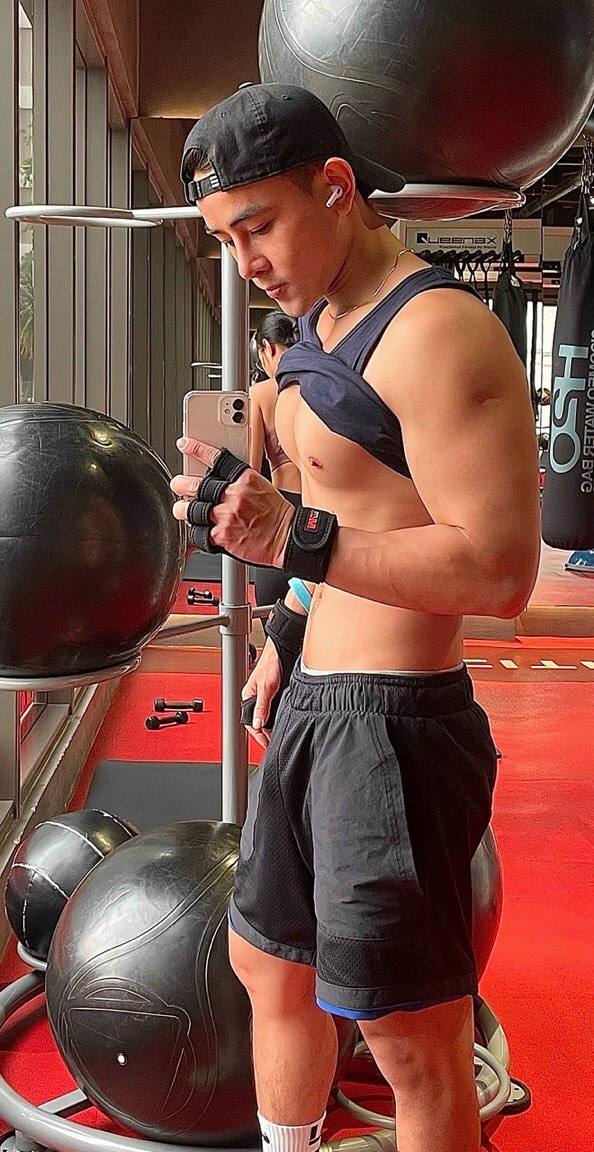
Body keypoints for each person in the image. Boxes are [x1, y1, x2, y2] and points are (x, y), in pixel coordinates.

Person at [172, 83, 540, 1152]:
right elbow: (346, 521)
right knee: (267, 965)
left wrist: (297, 538)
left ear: (335, 187)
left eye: (258, 227)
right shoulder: (315, 326)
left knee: (410, 1038)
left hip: (395, 731)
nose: (246, 261)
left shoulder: (439, 336)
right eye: (225, 239)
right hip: (316, 707)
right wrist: (287, 634)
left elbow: (500, 571)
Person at [250, 312, 302, 607]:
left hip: (282, 506)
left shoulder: (261, 393)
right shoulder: (318, 383)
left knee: (272, 612)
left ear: (267, 348)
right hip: (325, 506)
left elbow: (251, 468)